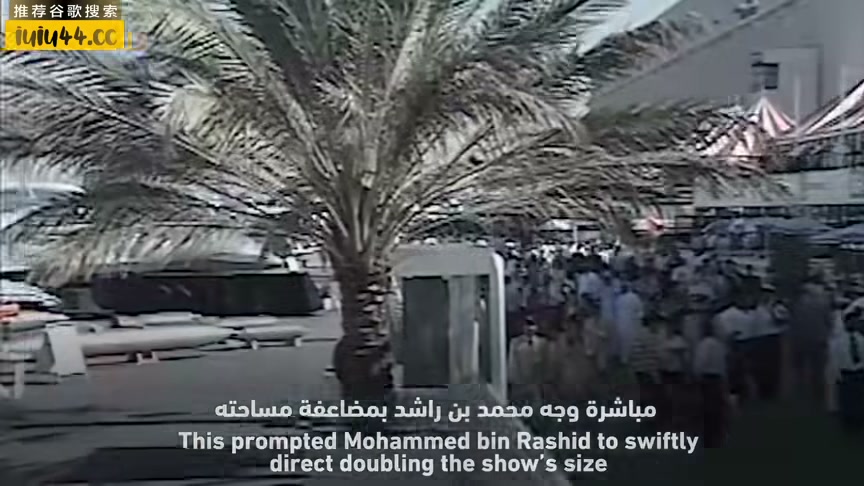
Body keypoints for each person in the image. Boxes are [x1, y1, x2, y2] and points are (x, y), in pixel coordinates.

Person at [789, 275, 834, 407]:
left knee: (799, 367)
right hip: (818, 338)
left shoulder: (795, 303)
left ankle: (800, 390)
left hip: (799, 339)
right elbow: (829, 321)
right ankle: (817, 393)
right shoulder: (823, 302)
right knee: (818, 368)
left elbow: (791, 321)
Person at [827, 307, 864, 434]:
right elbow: (834, 359)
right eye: (851, 321)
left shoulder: (861, 339)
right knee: (847, 399)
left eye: (856, 321)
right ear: (846, 323)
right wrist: (837, 375)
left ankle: (859, 420)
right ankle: (848, 422)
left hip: (859, 372)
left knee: (859, 398)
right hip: (845, 373)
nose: (854, 324)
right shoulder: (838, 341)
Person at [693, 317, 730, 448]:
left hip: (706, 379)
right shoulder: (719, 345)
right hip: (718, 378)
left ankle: (708, 438)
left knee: (707, 409)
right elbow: (723, 363)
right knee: (718, 409)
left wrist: (696, 375)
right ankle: (719, 436)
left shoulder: (704, 344)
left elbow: (700, 362)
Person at [508, 317, 552, 407]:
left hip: (537, 384)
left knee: (537, 407)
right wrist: (513, 382)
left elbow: (546, 363)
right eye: (527, 325)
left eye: (532, 325)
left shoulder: (543, 342)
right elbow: (512, 364)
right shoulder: (515, 342)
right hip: (520, 383)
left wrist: (545, 382)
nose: (529, 328)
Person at [630, 313, 663, 416]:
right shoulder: (651, 336)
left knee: (643, 391)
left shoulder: (638, 334)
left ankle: (641, 412)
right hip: (647, 369)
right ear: (651, 323)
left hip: (638, 368)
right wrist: (656, 375)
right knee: (649, 392)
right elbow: (654, 355)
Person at [614, 280, 644, 364]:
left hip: (630, 323)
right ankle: (621, 357)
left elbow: (640, 310)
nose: (622, 288)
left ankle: (626, 358)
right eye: (622, 287)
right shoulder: (618, 297)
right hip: (620, 322)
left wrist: (637, 319)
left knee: (628, 340)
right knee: (620, 340)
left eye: (624, 287)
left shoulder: (633, 297)